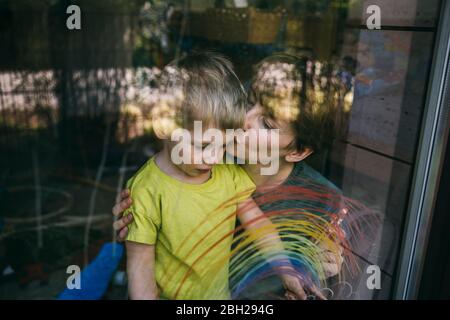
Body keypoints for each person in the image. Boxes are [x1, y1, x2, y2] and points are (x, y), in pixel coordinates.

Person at [123, 52, 324, 300]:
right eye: (204, 145)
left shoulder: (226, 175)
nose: (215, 158)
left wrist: (288, 273)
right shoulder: (146, 190)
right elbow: (140, 263)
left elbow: (260, 226)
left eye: (223, 145)